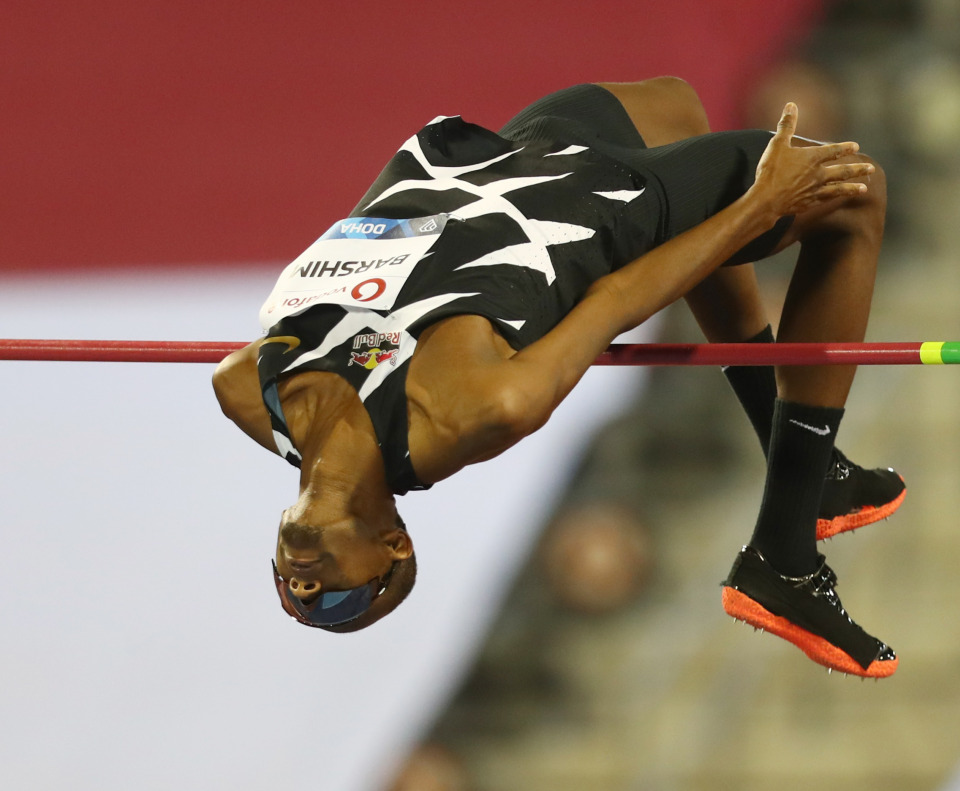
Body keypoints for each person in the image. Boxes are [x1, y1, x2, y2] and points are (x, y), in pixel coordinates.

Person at [212, 77, 905, 678]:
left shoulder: (246, 389)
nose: (305, 586)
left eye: (293, 591)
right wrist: (757, 205)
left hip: (491, 167)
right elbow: (615, 300)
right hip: (593, 208)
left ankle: (809, 466)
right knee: (855, 190)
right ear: (394, 542)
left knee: (674, 104)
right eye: (338, 599)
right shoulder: (477, 411)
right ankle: (784, 552)